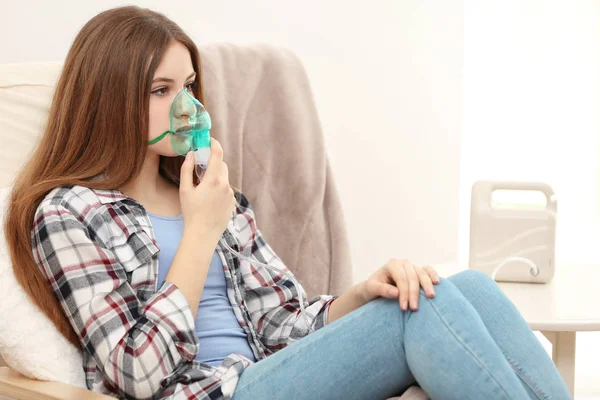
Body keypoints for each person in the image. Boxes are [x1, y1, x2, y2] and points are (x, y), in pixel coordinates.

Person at [4, 6, 571, 400]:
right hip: (210, 392)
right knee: (422, 317)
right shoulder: (69, 212)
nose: (186, 107)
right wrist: (200, 232)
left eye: (189, 86)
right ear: (109, 101)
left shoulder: (212, 193)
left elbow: (282, 323)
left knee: (461, 285)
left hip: (272, 372)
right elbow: (138, 372)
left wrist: (357, 296)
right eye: (160, 90)